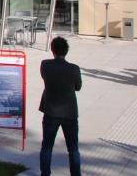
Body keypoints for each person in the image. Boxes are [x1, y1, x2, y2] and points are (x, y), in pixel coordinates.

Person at [39, 37, 82, 176]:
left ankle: (45, 173)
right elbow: (78, 87)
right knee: (73, 148)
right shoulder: (74, 69)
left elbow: (45, 78)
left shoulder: (45, 65)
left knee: (47, 146)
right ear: (66, 51)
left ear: (52, 50)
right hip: (69, 112)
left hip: (51, 111)